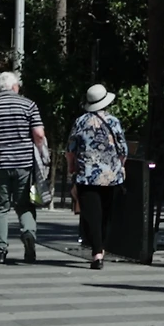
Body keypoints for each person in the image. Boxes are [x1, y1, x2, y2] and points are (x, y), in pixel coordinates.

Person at [0, 71, 47, 264]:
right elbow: (39, 134)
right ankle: (29, 233)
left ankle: (0, 251)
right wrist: (41, 154)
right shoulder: (28, 105)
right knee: (25, 204)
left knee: (0, 207)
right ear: (15, 87)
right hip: (24, 163)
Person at [67, 83, 128, 269]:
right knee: (106, 214)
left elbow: (71, 149)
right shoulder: (113, 121)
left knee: (91, 214)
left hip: (86, 175)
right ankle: (101, 248)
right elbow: (123, 150)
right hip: (110, 176)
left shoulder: (80, 121)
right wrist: (120, 167)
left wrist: (71, 168)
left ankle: (97, 253)